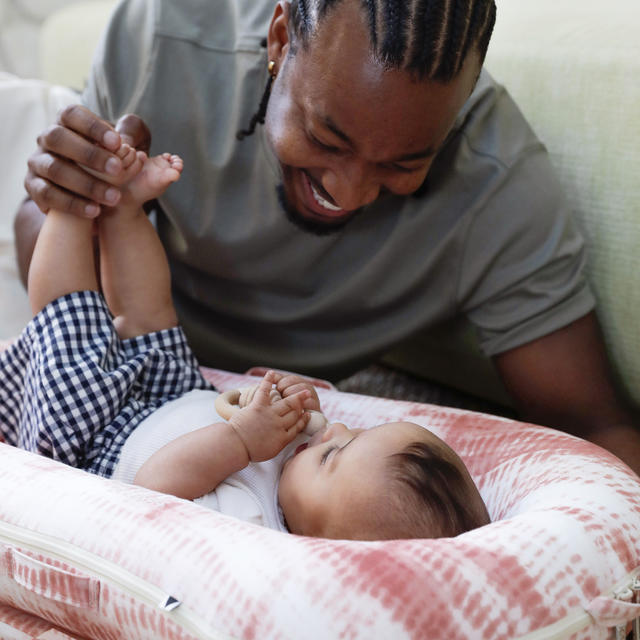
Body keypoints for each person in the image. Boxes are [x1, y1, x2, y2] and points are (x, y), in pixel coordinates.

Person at [14, 0, 640, 474]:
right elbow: (41, 266)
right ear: (280, 39)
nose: (351, 191)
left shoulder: (498, 186)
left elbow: (591, 427)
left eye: (403, 164)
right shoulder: (167, 37)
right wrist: (75, 198)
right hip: (128, 363)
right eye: (325, 138)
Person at [0, 144, 490, 540]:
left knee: (69, 316)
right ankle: (126, 209)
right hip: (177, 397)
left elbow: (155, 490)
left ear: (321, 541)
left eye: (333, 455)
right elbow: (289, 418)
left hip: (97, 438)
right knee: (150, 315)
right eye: (356, 435)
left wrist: (239, 441)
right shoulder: (304, 468)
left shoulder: (251, 525)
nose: (336, 431)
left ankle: (72, 206)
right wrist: (295, 397)